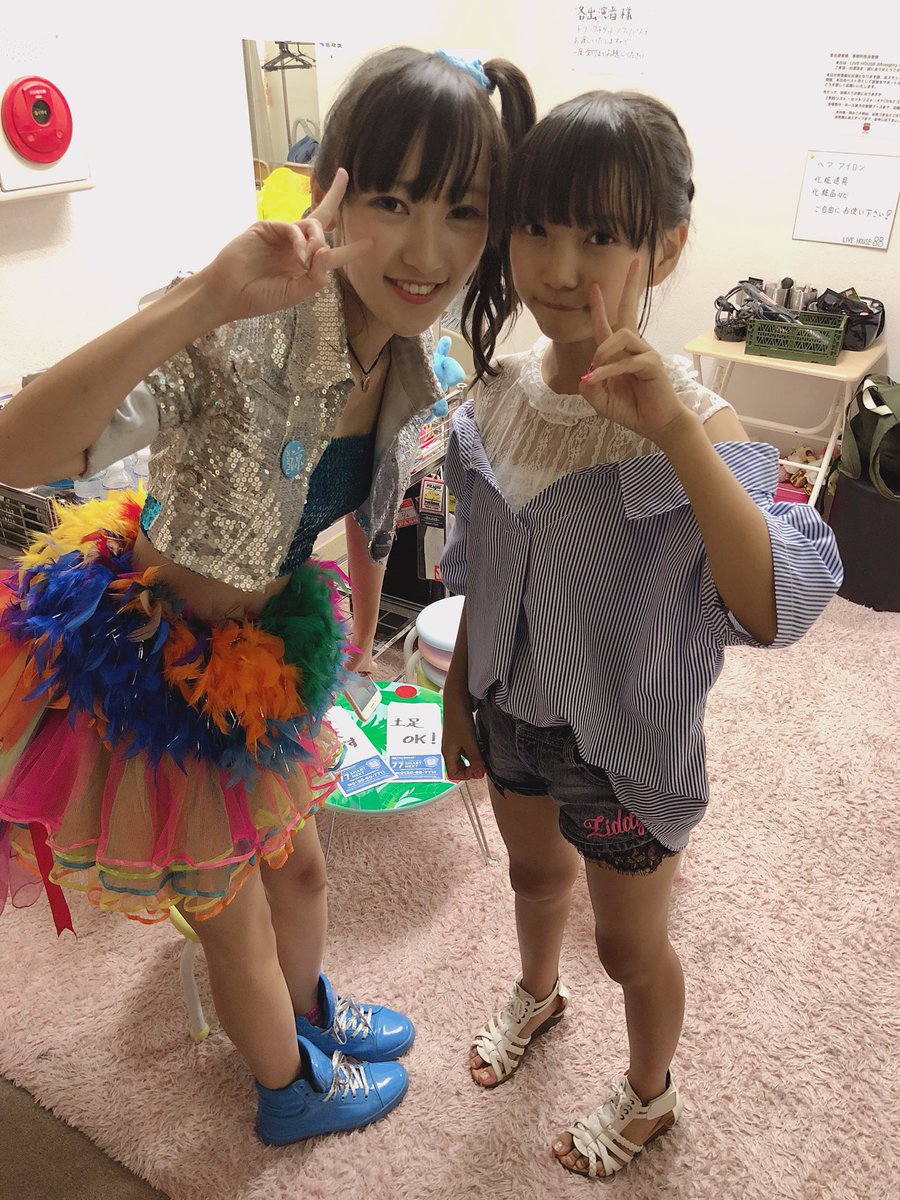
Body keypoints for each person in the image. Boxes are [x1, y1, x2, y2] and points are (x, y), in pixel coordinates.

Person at [0, 47, 535, 1147]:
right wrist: (205, 295)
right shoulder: (241, 324)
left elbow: (371, 506)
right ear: (333, 187)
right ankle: (288, 1089)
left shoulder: (415, 357)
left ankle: (308, 1016)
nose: (426, 251)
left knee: (305, 871)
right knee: (231, 917)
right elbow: (19, 449)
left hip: (269, 656)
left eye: (462, 211)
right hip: (151, 679)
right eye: (392, 202)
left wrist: (360, 639)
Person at [439, 90, 842, 1179]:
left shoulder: (697, 423)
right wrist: (457, 692)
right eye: (538, 227)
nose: (560, 266)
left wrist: (674, 433)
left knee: (628, 943)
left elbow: (776, 604)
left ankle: (652, 1092)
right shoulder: (494, 401)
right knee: (532, 881)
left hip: (627, 746)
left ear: (664, 246)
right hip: (511, 712)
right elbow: (480, 569)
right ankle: (535, 994)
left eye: (601, 236)